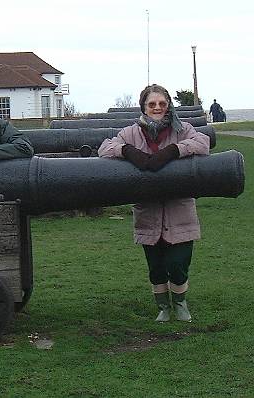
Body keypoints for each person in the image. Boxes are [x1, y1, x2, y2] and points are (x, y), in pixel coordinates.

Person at [98, 84, 210, 322]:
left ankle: (180, 302)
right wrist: (127, 150)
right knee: (156, 267)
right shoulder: (132, 132)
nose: (157, 108)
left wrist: (174, 150)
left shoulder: (182, 129)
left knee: (178, 264)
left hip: (178, 211)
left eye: (162, 104)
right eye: (152, 104)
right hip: (148, 212)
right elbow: (105, 148)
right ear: (144, 108)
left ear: (168, 105)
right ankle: (163, 307)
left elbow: (203, 143)